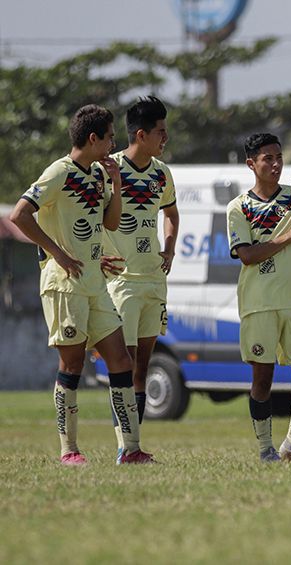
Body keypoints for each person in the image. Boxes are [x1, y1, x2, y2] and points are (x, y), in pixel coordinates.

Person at [10, 104, 154, 464]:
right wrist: (56, 252)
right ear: (94, 138)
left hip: (95, 282)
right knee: (72, 365)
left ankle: (130, 449)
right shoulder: (59, 172)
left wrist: (117, 184)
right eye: (110, 138)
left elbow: (110, 223)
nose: (113, 145)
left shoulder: (100, 174)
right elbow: (19, 215)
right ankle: (69, 450)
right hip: (64, 284)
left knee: (121, 361)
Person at [226, 133, 291, 462]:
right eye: (268, 158)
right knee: (262, 378)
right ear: (251, 164)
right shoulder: (238, 207)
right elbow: (248, 255)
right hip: (258, 304)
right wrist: (285, 238)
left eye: (279, 156)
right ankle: (265, 449)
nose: (276, 164)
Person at [99, 96, 179, 457]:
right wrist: (97, 255)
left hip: (153, 279)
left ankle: (134, 445)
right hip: (122, 282)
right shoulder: (108, 168)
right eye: (161, 132)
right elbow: (84, 218)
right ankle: (124, 446)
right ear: (142, 134)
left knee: (142, 366)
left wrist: (170, 247)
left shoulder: (162, 172)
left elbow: (172, 213)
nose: (166, 138)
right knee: (124, 362)